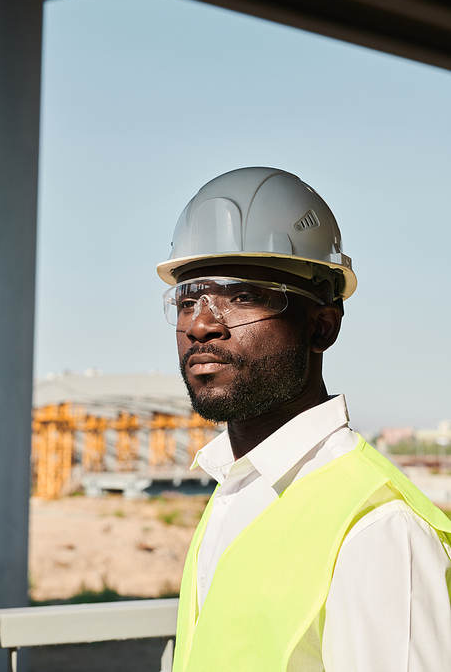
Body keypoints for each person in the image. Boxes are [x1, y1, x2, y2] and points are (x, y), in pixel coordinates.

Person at [157, 167, 451, 672]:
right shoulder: (235, 490)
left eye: (243, 296)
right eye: (188, 299)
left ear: (322, 326)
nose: (202, 324)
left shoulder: (378, 531)